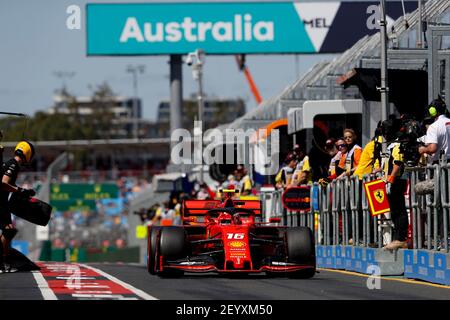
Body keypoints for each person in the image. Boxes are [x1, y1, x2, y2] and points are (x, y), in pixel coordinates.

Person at [0, 141, 36, 273]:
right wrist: (20, 190)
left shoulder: (12, 163)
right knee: (9, 230)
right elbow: (3, 183)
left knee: (9, 231)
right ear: (28, 154)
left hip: (3, 202)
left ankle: (5, 260)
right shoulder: (13, 164)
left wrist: (22, 191)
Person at [381, 119, 409, 250]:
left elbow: (398, 162)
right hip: (390, 181)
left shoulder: (397, 145)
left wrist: (391, 177)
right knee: (394, 210)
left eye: (386, 132)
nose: (384, 136)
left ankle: (400, 238)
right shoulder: (391, 145)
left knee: (399, 209)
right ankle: (397, 237)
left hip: (396, 180)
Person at [419, 98, 450, 164]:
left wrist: (422, 149)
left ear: (432, 111)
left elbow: (433, 148)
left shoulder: (434, 126)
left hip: (441, 164)